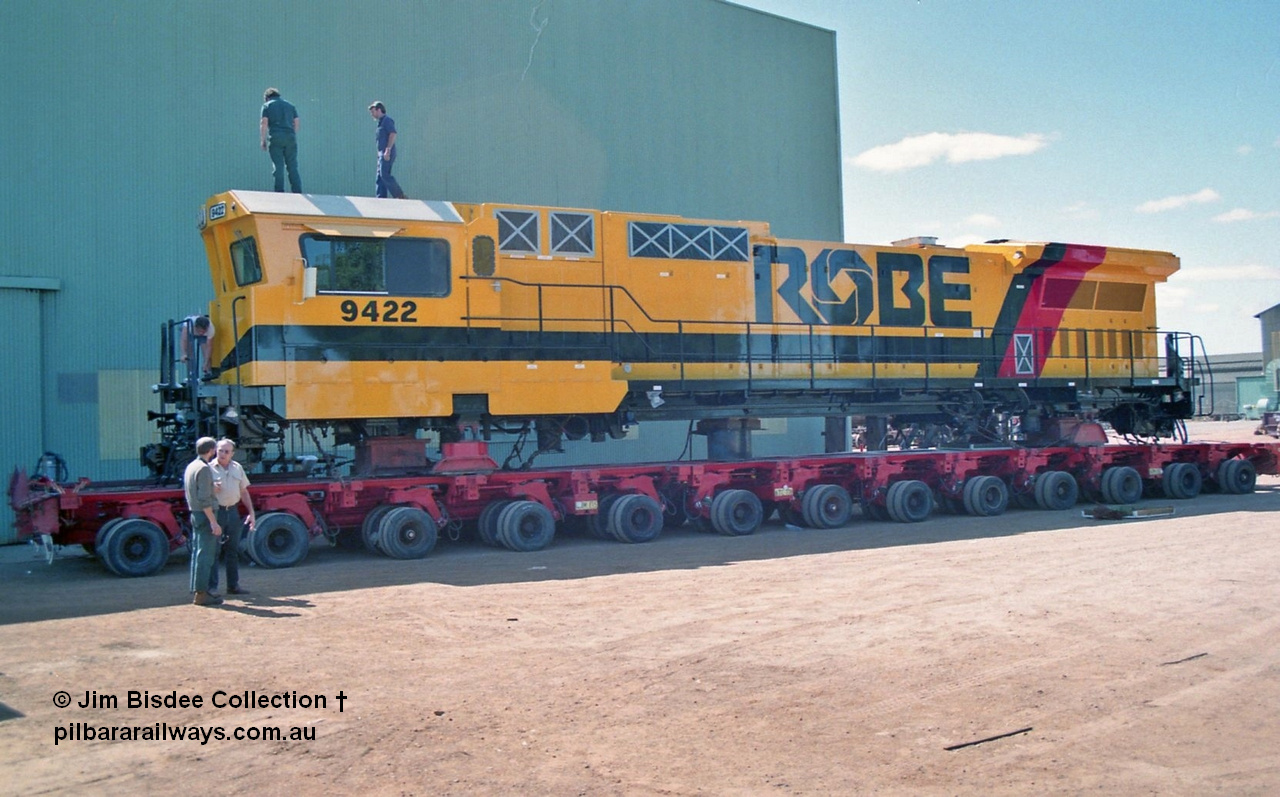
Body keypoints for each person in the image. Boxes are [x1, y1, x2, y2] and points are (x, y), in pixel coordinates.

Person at [209, 438, 256, 596]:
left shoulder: (237, 468)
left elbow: (244, 492)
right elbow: (200, 495)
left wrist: (251, 512)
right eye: (220, 450)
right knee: (214, 551)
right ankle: (212, 588)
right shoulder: (208, 469)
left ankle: (233, 586)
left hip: (233, 513)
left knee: (232, 550)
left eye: (226, 451)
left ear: (232, 454)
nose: (222, 454)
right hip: (217, 512)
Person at [184, 437, 223, 606]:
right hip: (204, 514)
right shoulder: (204, 469)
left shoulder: (191, 466)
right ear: (211, 450)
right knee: (205, 555)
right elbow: (205, 500)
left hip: (195, 513)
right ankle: (201, 593)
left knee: (198, 553)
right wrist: (214, 522)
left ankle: (198, 589)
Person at [261, 88, 302, 193]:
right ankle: (297, 191)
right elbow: (296, 122)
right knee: (292, 165)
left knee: (278, 166)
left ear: (266, 97)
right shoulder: (290, 106)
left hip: (276, 137)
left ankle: (279, 192)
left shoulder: (267, 106)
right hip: (290, 137)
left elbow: (264, 123)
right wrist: (292, 134)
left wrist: (263, 140)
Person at [368, 101, 406, 199]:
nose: (371, 114)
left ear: (379, 110)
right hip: (381, 153)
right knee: (379, 177)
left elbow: (393, 134)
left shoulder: (387, 120)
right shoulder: (380, 123)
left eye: (373, 111)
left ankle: (399, 195)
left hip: (386, 152)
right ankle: (381, 198)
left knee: (384, 174)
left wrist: (387, 150)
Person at [178, 315, 215, 380]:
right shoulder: (187, 326)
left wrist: (205, 363)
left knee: (205, 351)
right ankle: (191, 373)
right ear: (195, 327)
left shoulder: (211, 329)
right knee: (189, 353)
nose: (201, 333)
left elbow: (209, 347)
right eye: (200, 331)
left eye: (203, 331)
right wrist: (183, 354)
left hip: (202, 334)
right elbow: (183, 340)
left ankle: (207, 371)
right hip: (190, 332)